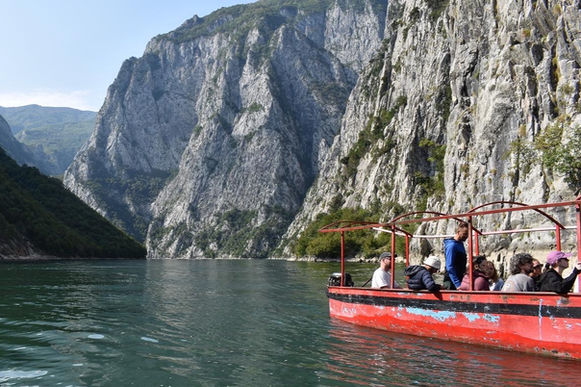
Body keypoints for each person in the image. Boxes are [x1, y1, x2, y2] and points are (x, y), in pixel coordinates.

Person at [443, 222, 469, 290]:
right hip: (451, 282)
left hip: (459, 279)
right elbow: (449, 266)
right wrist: (457, 284)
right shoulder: (452, 246)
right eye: (465, 234)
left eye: (468, 234)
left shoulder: (460, 244)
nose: (466, 236)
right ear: (458, 232)